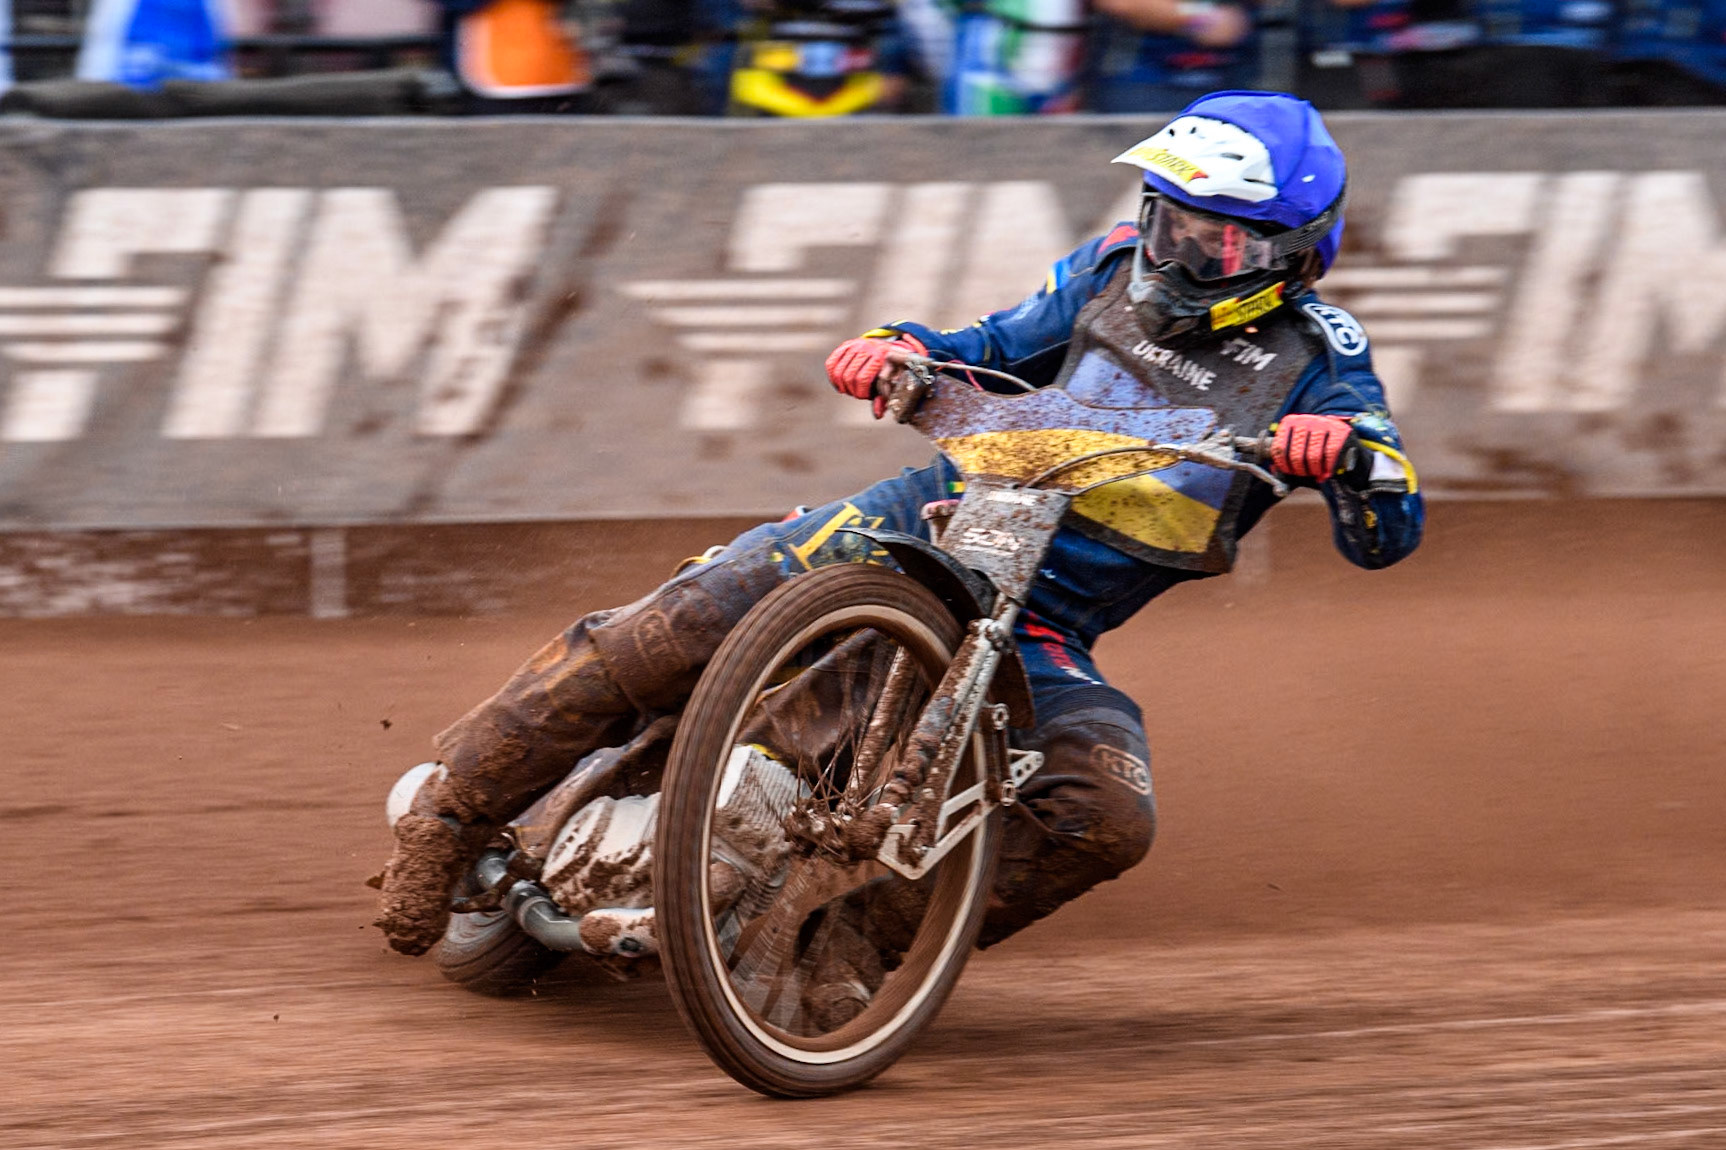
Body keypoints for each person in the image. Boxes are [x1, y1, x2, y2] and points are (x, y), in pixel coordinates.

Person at [374, 90, 1424, 969]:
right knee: (695, 610)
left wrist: (1349, 460)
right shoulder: (1109, 267)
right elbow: (988, 345)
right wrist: (896, 346)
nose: (1179, 253)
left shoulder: (1321, 360)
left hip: (1041, 627)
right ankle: (450, 816)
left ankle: (836, 957)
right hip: (918, 523)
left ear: (1293, 254)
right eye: (1169, 222)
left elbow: (1387, 531)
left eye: (1216, 241)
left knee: (1104, 813)